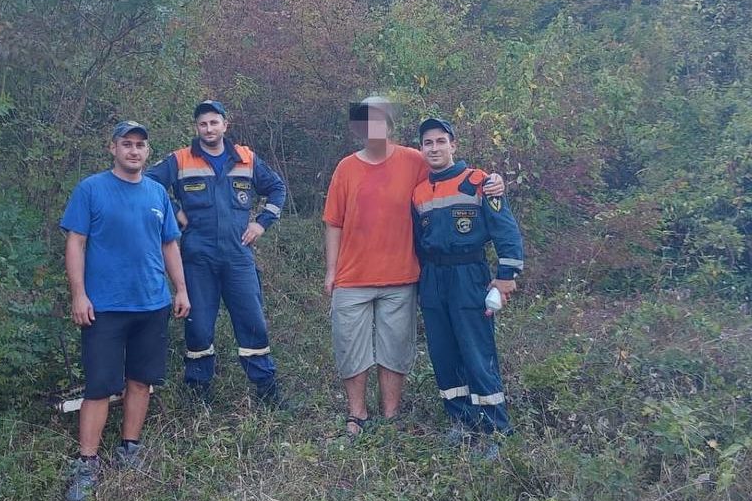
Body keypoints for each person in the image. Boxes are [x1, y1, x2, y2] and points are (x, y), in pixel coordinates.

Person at [322, 97, 505, 436]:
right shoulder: (345, 168)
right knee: (350, 347)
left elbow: (450, 171)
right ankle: (357, 414)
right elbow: (334, 222)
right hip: (352, 277)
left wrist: (491, 181)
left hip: (402, 276)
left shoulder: (413, 159)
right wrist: (331, 271)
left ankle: (391, 416)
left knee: (396, 347)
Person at [60, 120, 190, 501]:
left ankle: (130, 448)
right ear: (113, 148)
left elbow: (170, 245)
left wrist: (181, 289)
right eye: (127, 144)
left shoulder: (156, 193)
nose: (134, 151)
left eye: (140, 145)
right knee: (100, 385)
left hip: (152, 304)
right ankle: (87, 462)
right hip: (105, 308)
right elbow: (75, 243)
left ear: (148, 152)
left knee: (141, 381)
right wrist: (79, 295)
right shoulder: (91, 189)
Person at [146, 100, 287, 406]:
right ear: (196, 128)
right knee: (198, 327)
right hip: (198, 259)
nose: (208, 129)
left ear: (225, 124)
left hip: (238, 258)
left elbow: (277, 189)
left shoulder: (246, 159)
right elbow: (148, 185)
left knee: (253, 323)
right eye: (202, 124)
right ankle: (198, 396)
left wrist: (262, 223)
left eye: (214, 122)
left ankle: (267, 394)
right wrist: (175, 212)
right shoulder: (181, 160)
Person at [411, 117, 524, 460]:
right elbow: (417, 241)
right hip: (433, 279)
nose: (434, 148)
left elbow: (506, 231)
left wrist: (506, 276)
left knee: (477, 352)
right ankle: (461, 422)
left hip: (469, 276)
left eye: (440, 141)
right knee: (444, 355)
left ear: (453, 145)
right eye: (428, 143)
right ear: (421, 149)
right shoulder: (418, 192)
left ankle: (495, 430)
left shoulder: (479, 182)